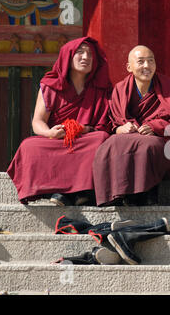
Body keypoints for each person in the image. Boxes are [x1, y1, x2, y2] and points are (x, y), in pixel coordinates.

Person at [7, 36, 112, 206]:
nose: (86, 57)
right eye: (80, 53)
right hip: (57, 138)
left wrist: (84, 129)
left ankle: (78, 191)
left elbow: (105, 126)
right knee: (29, 146)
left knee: (101, 139)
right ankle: (60, 192)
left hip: (85, 139)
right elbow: (38, 121)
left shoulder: (101, 88)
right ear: (67, 57)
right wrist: (50, 132)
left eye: (90, 54)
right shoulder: (50, 85)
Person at [92, 45, 170, 206]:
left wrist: (155, 127)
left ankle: (148, 192)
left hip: (162, 142)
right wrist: (121, 128)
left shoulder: (169, 88)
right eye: (140, 62)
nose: (147, 66)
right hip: (129, 136)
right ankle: (116, 194)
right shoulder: (120, 89)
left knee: (150, 145)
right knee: (111, 144)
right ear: (129, 67)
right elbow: (113, 120)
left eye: (151, 61)